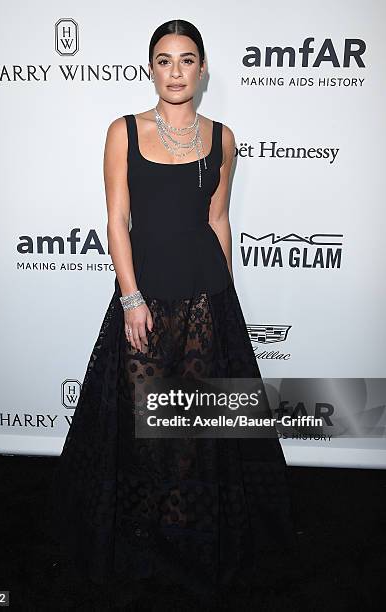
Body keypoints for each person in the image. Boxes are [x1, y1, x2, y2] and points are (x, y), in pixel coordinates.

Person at [50, 18, 299, 606]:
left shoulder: (223, 137)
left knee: (193, 426)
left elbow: (217, 220)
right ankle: (139, 536)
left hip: (206, 296)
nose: (176, 71)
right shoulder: (124, 132)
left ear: (203, 68)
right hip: (146, 296)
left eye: (187, 60)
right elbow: (117, 222)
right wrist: (130, 296)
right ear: (151, 68)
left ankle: (185, 536)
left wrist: (224, 295)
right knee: (141, 424)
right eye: (164, 60)